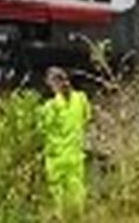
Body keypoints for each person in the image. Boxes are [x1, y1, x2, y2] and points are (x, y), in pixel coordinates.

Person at [39, 66, 91, 217]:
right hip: (75, 155)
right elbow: (87, 118)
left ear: (51, 84)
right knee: (77, 194)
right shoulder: (81, 99)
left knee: (59, 199)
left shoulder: (50, 107)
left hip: (56, 158)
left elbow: (42, 128)